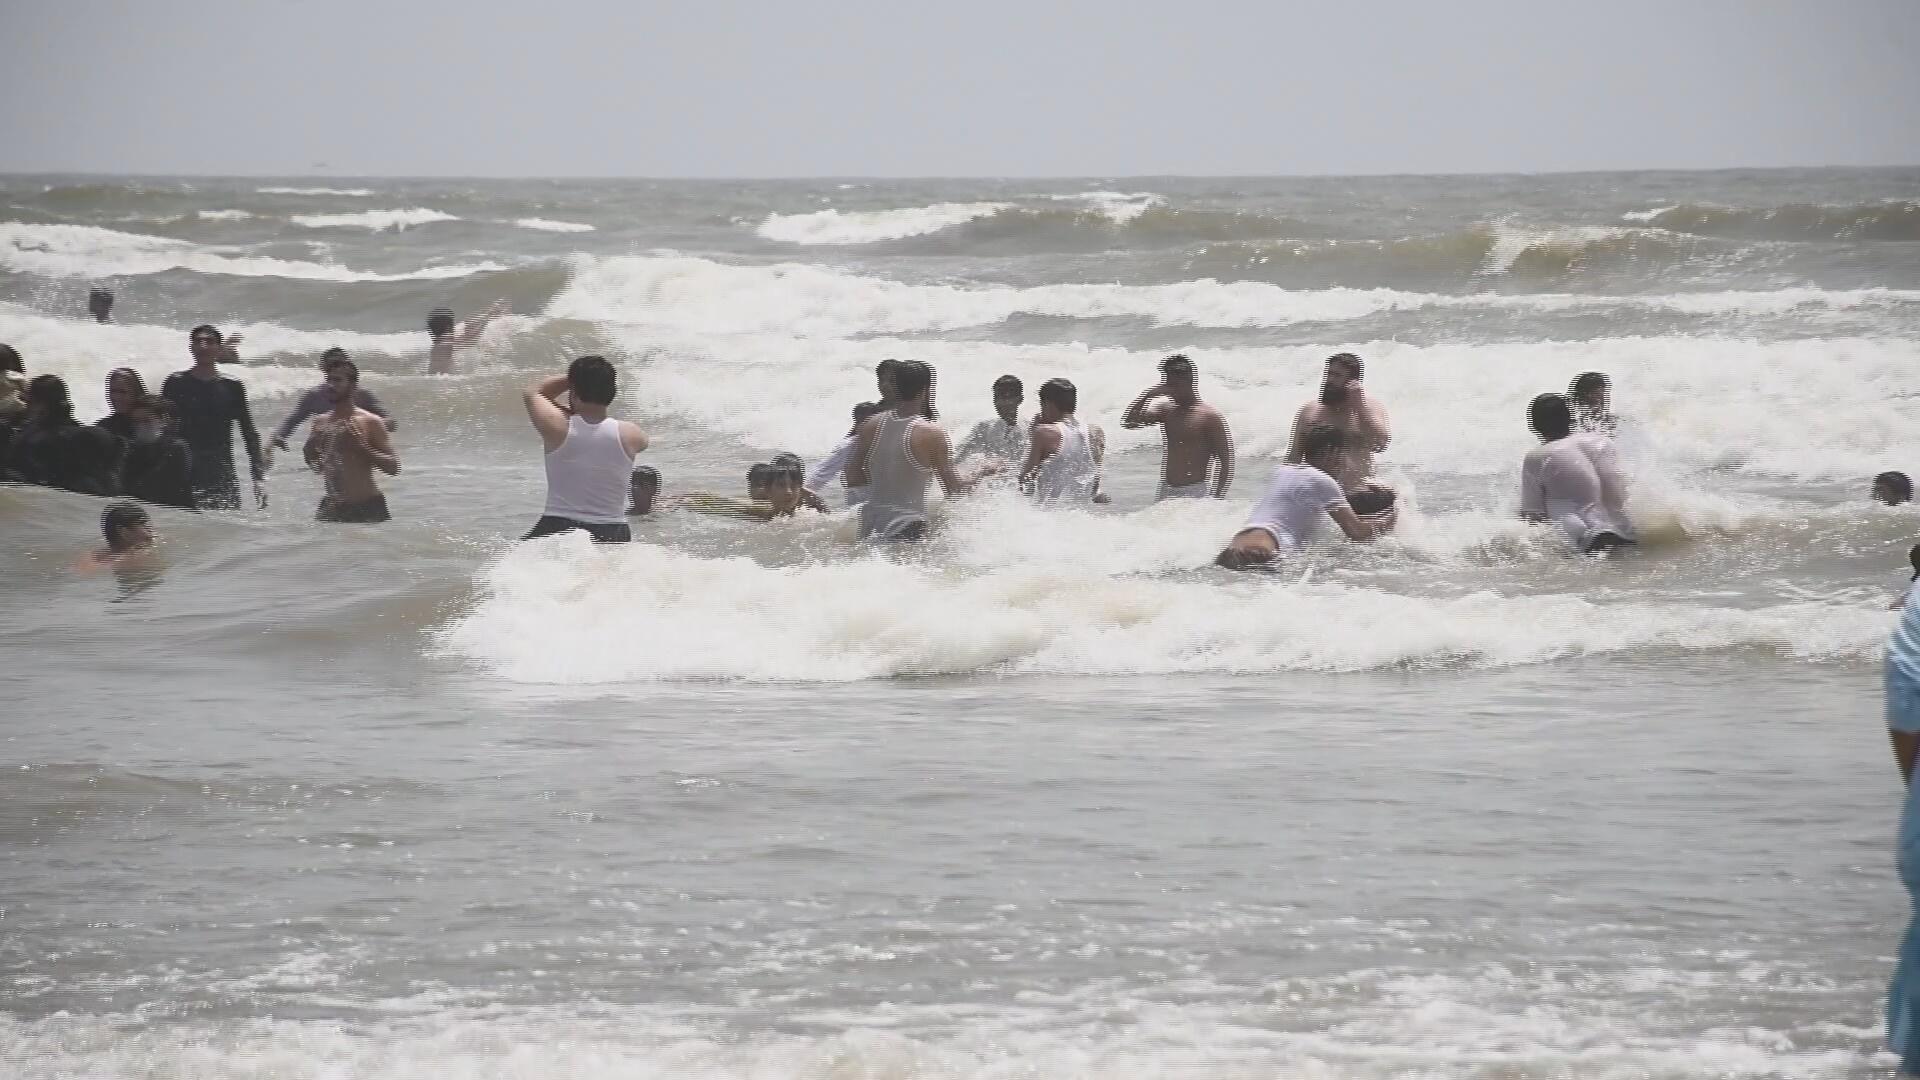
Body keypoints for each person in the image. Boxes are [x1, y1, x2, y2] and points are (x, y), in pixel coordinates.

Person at [845, 359, 995, 541]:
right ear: (926, 389)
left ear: (895, 387)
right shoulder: (931, 433)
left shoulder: (870, 425)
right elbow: (955, 492)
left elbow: (852, 476)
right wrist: (983, 470)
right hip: (906, 526)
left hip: (870, 524)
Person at [1215, 425, 1392, 570]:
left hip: (1236, 547)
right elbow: (1358, 532)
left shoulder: (1282, 471)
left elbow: (1305, 500)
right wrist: (1395, 514)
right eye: (1346, 454)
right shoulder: (1323, 481)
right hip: (1263, 553)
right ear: (1331, 453)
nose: (1347, 462)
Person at [523, 355, 647, 543]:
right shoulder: (632, 435)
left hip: (560, 525)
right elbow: (643, 443)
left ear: (574, 392)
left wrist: (576, 378)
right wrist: (594, 379)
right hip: (614, 530)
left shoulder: (558, 428)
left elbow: (534, 393)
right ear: (611, 392)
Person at [161, 325, 265, 510]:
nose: (203, 346)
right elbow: (162, 429)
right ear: (191, 347)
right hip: (184, 468)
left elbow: (248, 432)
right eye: (198, 342)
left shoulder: (232, 386)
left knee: (227, 528)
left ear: (219, 348)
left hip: (221, 470)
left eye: (209, 342)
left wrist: (258, 478)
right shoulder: (175, 383)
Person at [1519, 393, 1637, 555]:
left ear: (1535, 425)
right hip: (1627, 531)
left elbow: (1532, 516)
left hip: (1586, 538)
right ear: (1571, 418)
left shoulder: (1538, 456)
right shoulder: (1603, 442)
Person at [1284, 352, 1395, 517]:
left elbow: (1380, 445)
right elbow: (1293, 457)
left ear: (1353, 382)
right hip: (1318, 495)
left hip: (1360, 496)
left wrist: (1359, 406)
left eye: (1337, 375)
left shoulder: (1370, 409)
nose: (1329, 380)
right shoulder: (1310, 412)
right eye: (1328, 373)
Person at [1121, 353, 1234, 499]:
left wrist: (1216, 499)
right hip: (1166, 488)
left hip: (1195, 491)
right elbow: (1129, 423)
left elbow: (1225, 464)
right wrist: (1147, 396)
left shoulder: (1209, 417)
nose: (1167, 389)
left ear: (1188, 381)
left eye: (1173, 384)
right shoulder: (1166, 410)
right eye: (1166, 383)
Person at [303, 357, 399, 523]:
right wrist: (309, 449)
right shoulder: (320, 422)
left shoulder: (370, 422)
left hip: (367, 507)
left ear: (353, 386)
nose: (330, 385)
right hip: (332, 507)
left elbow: (393, 467)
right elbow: (317, 467)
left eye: (337, 380)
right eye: (328, 380)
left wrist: (362, 449)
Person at [9, 374, 122, 495]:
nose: (26, 405)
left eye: (30, 401)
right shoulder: (81, 430)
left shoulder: (35, 437)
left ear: (41, 405)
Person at [270, 348, 393, 458]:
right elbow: (293, 420)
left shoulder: (363, 394)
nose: (336, 368)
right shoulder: (314, 395)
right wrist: (279, 436)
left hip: (359, 451)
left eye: (341, 364)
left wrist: (363, 426)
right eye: (332, 365)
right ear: (323, 368)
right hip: (327, 454)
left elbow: (391, 423)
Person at [1020, 378, 1105, 505]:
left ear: (1048, 404)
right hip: (1083, 515)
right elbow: (1094, 485)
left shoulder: (1043, 432)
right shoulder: (1096, 432)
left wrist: (1032, 435)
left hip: (1051, 517)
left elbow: (1025, 482)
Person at [118, 395, 195, 510]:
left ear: (163, 421)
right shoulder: (130, 448)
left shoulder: (177, 447)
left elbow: (158, 485)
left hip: (177, 513)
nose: (140, 426)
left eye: (146, 421)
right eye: (136, 422)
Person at [806, 401, 886, 508]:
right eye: (865, 424)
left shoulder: (892, 443)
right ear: (857, 426)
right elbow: (818, 476)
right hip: (860, 507)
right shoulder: (848, 447)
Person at [667, 463, 808, 522]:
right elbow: (721, 500)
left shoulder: (808, 517)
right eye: (781, 486)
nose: (788, 492)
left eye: (794, 486)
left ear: (801, 490)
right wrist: (683, 499)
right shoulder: (759, 510)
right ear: (768, 490)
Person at [957, 375, 1028, 467]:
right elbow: (958, 456)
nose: (1000, 402)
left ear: (1020, 399)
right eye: (996, 397)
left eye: (1006, 397)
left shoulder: (1030, 431)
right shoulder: (984, 428)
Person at [426, 300, 507, 375]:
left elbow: (464, 336)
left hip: (437, 378)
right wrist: (487, 318)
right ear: (448, 328)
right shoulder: (445, 345)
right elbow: (470, 339)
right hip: (442, 383)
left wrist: (479, 317)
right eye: (452, 326)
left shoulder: (438, 344)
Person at [76, 501, 156, 573]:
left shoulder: (92, 557)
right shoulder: (131, 561)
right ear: (124, 531)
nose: (151, 531)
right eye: (143, 525)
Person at [96, 368, 148, 441]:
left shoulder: (151, 424)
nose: (116, 397)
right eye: (112, 391)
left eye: (122, 392)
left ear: (136, 394)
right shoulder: (104, 427)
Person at [1570, 371, 1617, 436]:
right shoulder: (1572, 421)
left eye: (1604, 392)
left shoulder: (1611, 421)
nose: (1604, 397)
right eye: (1597, 393)